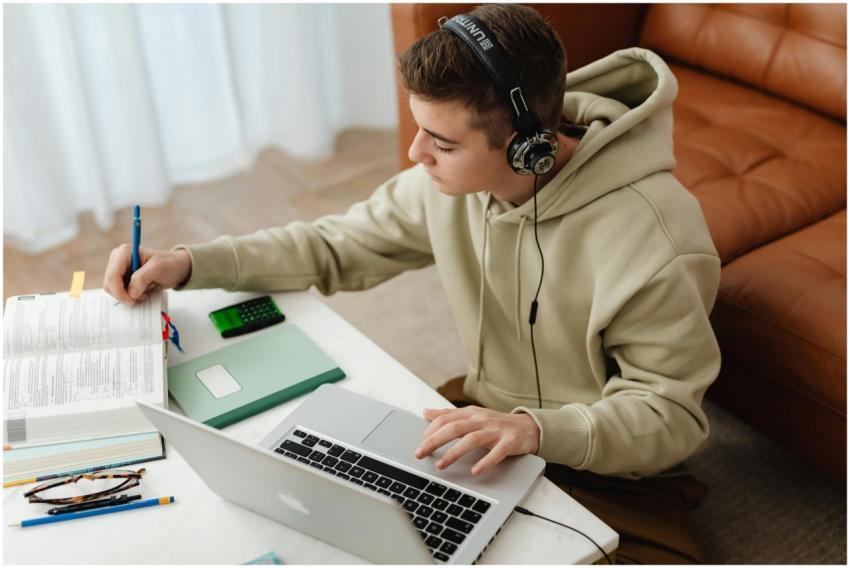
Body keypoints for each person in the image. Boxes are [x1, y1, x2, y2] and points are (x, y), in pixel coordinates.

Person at [103, 4, 720, 563]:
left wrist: (536, 430)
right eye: (418, 127)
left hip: (609, 471)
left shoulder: (657, 240)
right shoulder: (446, 186)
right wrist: (189, 263)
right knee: (317, 509)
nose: (415, 154)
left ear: (525, 147)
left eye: (442, 144)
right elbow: (334, 244)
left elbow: (670, 415)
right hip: (480, 422)